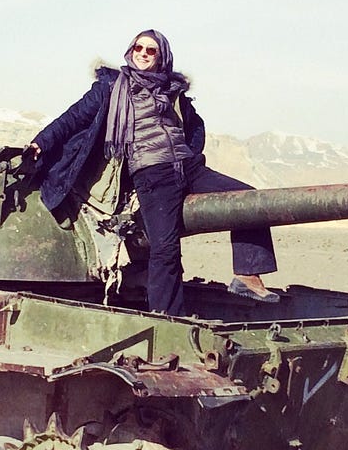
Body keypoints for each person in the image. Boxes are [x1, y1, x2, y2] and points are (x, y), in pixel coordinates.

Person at [25, 29, 278, 315]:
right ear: (130, 51)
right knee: (165, 249)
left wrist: (190, 153)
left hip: (188, 167)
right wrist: (40, 142)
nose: (143, 54)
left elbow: (195, 126)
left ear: (162, 56)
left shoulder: (171, 90)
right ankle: (166, 316)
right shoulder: (112, 86)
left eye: (151, 50)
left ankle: (247, 275)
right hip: (153, 173)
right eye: (138, 48)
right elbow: (72, 118)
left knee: (249, 200)